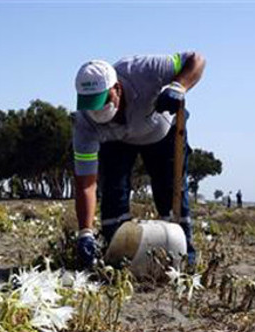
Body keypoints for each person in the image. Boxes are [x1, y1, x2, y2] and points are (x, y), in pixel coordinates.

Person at [72, 52, 206, 268]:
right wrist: (85, 232)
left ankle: (182, 258)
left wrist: (179, 86)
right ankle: (118, 259)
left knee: (171, 194)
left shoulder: (143, 71)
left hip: (162, 132)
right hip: (117, 140)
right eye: (91, 104)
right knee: (113, 195)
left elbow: (196, 60)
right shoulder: (85, 124)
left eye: (103, 101)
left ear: (116, 88)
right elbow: (86, 184)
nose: (97, 111)